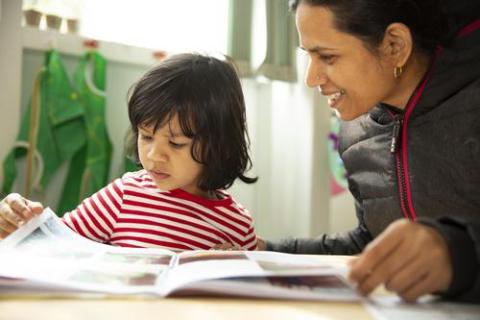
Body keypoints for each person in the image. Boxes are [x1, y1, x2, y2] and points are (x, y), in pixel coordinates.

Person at [261, 0, 480, 302]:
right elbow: (370, 241)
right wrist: (267, 251)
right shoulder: (356, 131)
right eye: (308, 55)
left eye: (327, 56)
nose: (311, 79)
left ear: (394, 46)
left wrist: (458, 255)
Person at [0, 53, 258, 251]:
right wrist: (20, 222)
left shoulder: (238, 226)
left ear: (219, 145)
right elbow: (54, 242)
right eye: (146, 136)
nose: (154, 155)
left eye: (176, 143)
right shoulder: (125, 194)